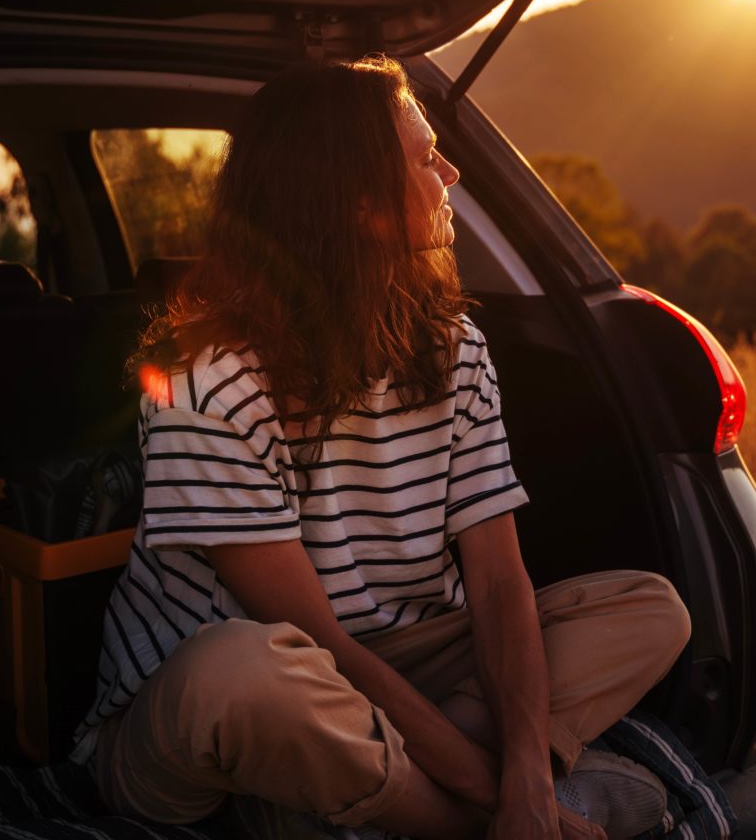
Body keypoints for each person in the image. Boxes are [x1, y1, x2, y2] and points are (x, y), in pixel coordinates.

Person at [70, 56, 691, 840]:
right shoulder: (207, 381)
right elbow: (318, 645)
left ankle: (343, 794)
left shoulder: (456, 348)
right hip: (217, 702)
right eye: (427, 156)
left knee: (649, 609)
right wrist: (503, 797)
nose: (452, 172)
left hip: (405, 662)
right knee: (243, 676)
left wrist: (527, 778)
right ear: (360, 203)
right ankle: (470, 818)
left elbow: (499, 584)